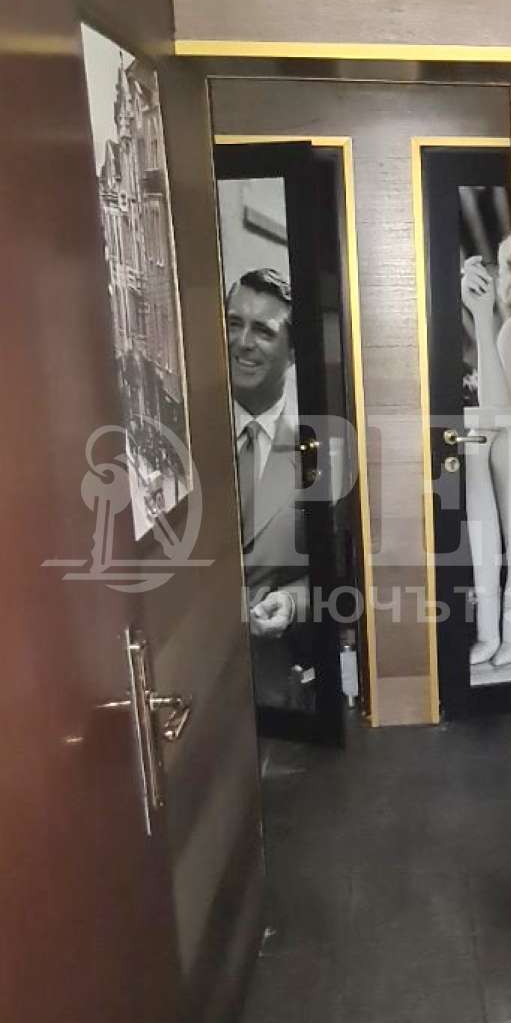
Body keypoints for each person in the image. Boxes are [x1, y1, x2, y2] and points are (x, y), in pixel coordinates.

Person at [226, 267, 310, 704]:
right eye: (234, 323)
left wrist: (292, 602)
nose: (243, 342)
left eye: (263, 330)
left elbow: (341, 572)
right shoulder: (175, 433)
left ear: (292, 352)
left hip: (270, 688)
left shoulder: (319, 449)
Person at [459, 232, 511, 672]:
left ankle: (509, 631)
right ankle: (490, 630)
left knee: (502, 445)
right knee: (475, 447)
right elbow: (498, 408)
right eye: (507, 266)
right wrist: (481, 317)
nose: (509, 277)